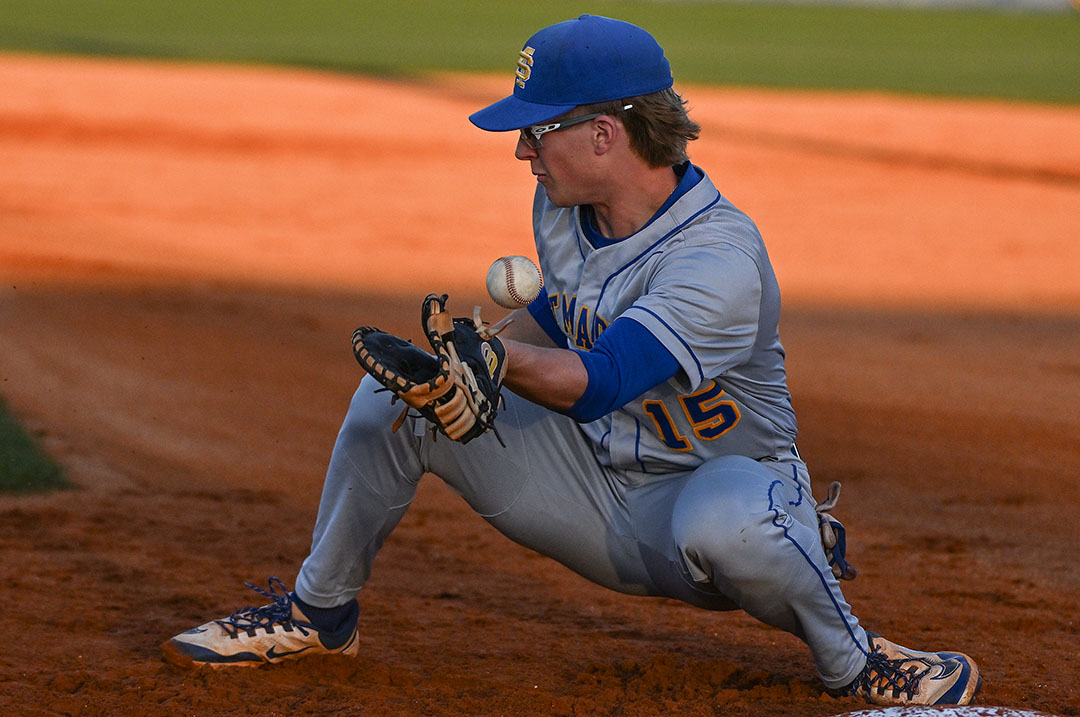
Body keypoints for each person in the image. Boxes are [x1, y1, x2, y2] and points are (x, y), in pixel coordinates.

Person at [162, 14, 981, 707]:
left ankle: (859, 656)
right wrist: (473, 364)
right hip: (589, 490)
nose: (522, 148)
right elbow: (560, 317)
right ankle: (318, 613)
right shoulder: (564, 208)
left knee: (731, 515)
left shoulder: (718, 260)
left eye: (537, 127)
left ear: (603, 134)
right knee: (394, 406)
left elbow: (604, 380)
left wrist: (493, 365)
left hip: (698, 505)